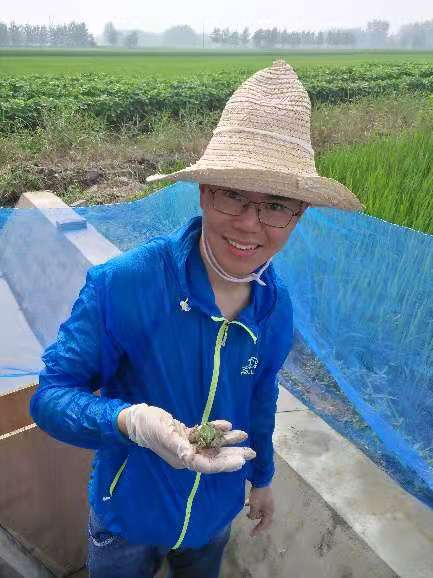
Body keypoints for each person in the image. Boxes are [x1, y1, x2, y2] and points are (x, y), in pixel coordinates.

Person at [29, 60, 363, 578]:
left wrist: (262, 478)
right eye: (233, 194)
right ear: (204, 191)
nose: (250, 223)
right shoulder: (125, 284)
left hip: (214, 515)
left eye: (276, 205)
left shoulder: (275, 308)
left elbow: (260, 397)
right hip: (126, 519)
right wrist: (131, 422)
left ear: (299, 214)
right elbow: (51, 397)